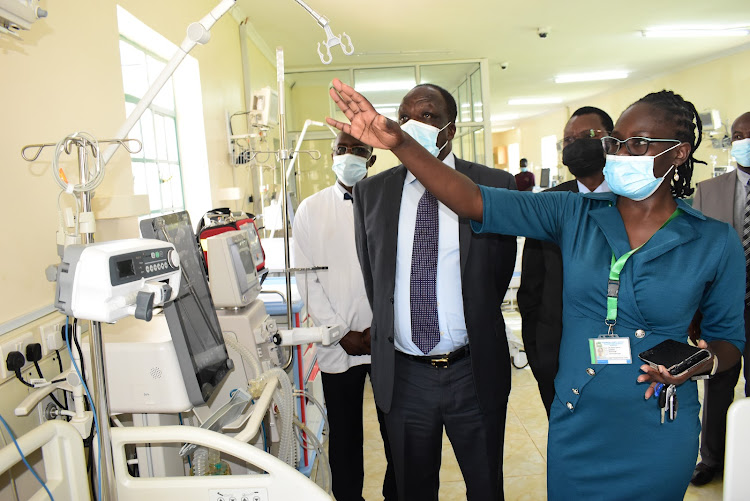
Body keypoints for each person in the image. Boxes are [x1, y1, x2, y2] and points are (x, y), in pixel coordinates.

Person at [327, 79, 745, 500]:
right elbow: (472, 198)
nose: (619, 155)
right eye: (615, 143)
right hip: (580, 418)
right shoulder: (573, 213)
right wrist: (400, 143)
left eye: (636, 144)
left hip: (659, 423)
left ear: (678, 153)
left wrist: (703, 362)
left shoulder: (713, 240)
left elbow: (730, 341)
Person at [350, 83, 517, 501]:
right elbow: (375, 278)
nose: (412, 126)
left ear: (450, 129)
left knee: (484, 488)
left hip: (472, 371)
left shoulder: (494, 185)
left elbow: (499, 271)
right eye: (404, 117)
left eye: (426, 116)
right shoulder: (371, 192)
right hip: (405, 377)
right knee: (412, 490)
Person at [292, 132, 396, 501]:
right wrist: (340, 332)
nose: (348, 156)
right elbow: (306, 278)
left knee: (396, 432)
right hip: (337, 344)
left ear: (371, 159)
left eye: (359, 150)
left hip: (388, 339)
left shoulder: (391, 203)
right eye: (342, 149)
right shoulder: (310, 210)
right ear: (332, 155)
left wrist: (382, 326)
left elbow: (403, 271)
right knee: (345, 434)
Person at [517, 106, 613, 416]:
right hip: (558, 355)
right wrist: (538, 351)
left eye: (586, 136)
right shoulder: (548, 204)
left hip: (622, 357)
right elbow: (530, 290)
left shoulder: (635, 202)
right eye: (567, 140)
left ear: (611, 141)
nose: (575, 145)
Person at [689, 111, 750, 486]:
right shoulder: (708, 191)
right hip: (722, 309)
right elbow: (694, 256)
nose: (743, 141)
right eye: (737, 135)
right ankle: (713, 458)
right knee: (718, 383)